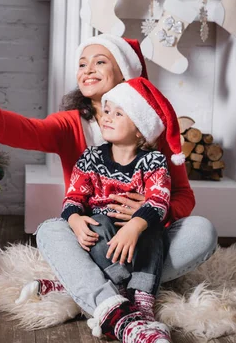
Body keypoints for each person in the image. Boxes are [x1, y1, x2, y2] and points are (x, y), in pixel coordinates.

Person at [0, 34, 218, 332]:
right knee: (50, 230)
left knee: (202, 230)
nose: (87, 69)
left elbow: (183, 196)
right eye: (81, 63)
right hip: (91, 238)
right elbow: (24, 130)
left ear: (125, 73)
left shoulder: (151, 128)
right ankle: (122, 303)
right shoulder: (70, 124)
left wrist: (150, 213)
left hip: (144, 241)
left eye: (100, 61)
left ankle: (82, 288)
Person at [61, 77, 184, 341]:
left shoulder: (153, 161)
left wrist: (135, 226)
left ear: (139, 129)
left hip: (137, 236)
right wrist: (74, 220)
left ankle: (141, 299)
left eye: (118, 113)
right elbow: (73, 196)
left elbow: (159, 199)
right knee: (98, 223)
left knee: (153, 229)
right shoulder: (91, 158)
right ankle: (118, 289)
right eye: (107, 111)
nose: (107, 117)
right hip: (104, 238)